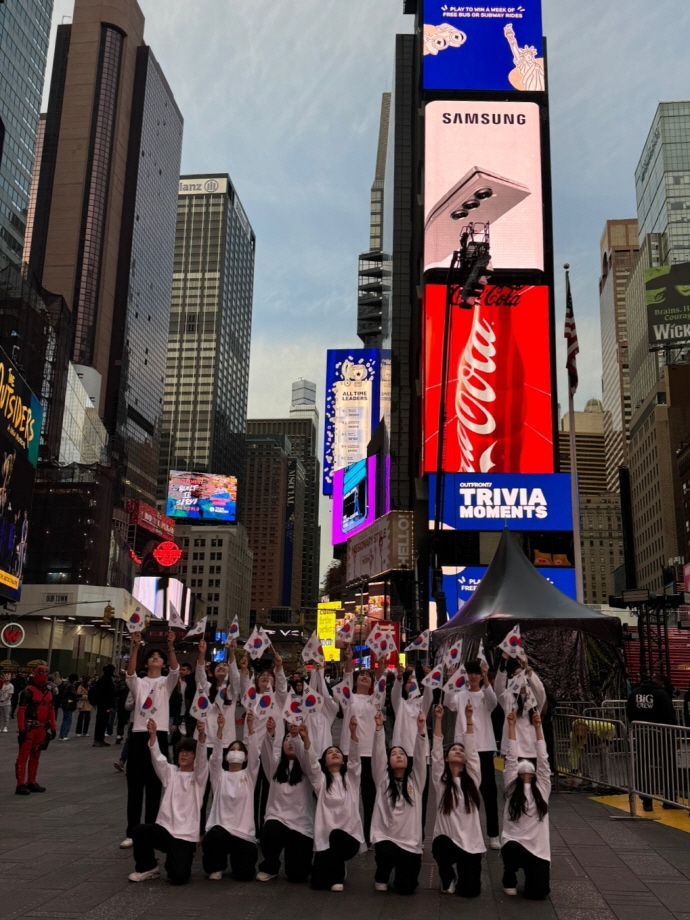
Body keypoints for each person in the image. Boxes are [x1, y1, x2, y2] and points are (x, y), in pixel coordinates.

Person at [129, 717, 209, 884]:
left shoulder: (199, 777)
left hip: (184, 836)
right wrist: (152, 736)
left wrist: (201, 738)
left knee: (178, 876)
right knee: (138, 831)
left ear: (195, 756)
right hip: (165, 830)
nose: (184, 754)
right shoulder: (171, 773)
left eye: (188, 752)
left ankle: (174, 861)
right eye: (181, 751)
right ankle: (148, 867)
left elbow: (202, 761)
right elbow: (158, 759)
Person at [121, 630, 179, 850]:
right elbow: (130, 673)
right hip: (138, 736)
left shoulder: (167, 682)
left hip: (160, 735)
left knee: (155, 786)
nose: (156, 657)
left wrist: (171, 647)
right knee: (135, 786)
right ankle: (132, 832)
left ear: (163, 663)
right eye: (152, 656)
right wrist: (135, 646)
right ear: (146, 662)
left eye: (159, 656)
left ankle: (151, 830)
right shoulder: (139, 683)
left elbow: (175, 669)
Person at [293, 716, 364, 892]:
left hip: (348, 838)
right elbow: (311, 764)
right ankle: (335, 868)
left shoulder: (351, 780)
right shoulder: (321, 782)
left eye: (338, 752)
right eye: (330, 752)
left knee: (337, 837)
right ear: (324, 761)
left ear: (343, 760)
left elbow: (355, 761)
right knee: (317, 884)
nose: (334, 753)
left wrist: (353, 733)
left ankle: (339, 875)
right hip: (325, 840)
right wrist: (306, 738)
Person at [430, 702, 485, 897]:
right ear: (447, 758)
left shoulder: (473, 781)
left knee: (470, 892)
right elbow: (436, 752)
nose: (459, 751)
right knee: (440, 845)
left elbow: (471, 749)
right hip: (448, 841)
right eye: (454, 750)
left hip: (470, 844)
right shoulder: (440, 781)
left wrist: (469, 719)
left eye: (461, 751)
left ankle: (463, 876)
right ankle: (447, 876)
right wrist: (438, 720)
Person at [370, 707, 427, 895]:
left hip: (409, 842)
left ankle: (402, 871)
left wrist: (420, 731)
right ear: (388, 761)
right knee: (386, 857)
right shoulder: (382, 779)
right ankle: (382, 873)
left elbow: (420, 757)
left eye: (402, 753)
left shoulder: (416, 781)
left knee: (406, 887)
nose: (399, 756)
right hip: (386, 838)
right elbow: (377, 755)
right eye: (394, 754)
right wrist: (379, 729)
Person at [445, 658, 500, 848]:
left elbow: (494, 701)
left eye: (476, 673)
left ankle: (493, 834)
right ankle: (465, 830)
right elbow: (448, 703)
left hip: (484, 747)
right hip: (464, 748)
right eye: (470, 673)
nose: (473, 676)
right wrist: (450, 680)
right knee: (464, 790)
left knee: (489, 791)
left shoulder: (486, 695)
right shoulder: (460, 696)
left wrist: (486, 678)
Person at [201, 711, 260, 881]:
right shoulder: (219, 776)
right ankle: (216, 866)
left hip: (243, 834)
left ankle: (237, 861)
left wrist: (250, 729)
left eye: (239, 750)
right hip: (221, 830)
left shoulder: (249, 776)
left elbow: (255, 757)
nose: (235, 752)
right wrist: (219, 732)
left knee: (244, 875)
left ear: (245, 756)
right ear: (227, 756)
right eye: (232, 750)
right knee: (213, 838)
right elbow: (214, 759)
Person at [256, 717, 314, 883]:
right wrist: (270, 734)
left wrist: (302, 738)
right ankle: (270, 866)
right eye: (287, 739)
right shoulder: (274, 767)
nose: (289, 742)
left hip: (301, 825)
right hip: (277, 819)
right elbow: (266, 753)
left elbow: (312, 762)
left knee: (298, 875)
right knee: (269, 832)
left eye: (293, 740)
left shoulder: (307, 769)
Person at [501, 710, 551, 899]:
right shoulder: (512, 787)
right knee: (512, 849)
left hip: (537, 849)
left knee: (538, 893)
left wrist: (538, 728)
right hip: (515, 842)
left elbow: (543, 759)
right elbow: (512, 758)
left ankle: (532, 875)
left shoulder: (543, 788)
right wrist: (512, 727)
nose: (525, 765)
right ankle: (509, 874)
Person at [195, 638, 241, 835]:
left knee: (222, 788)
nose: (222, 668)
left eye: (225, 666)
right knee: (202, 788)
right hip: (205, 743)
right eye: (218, 666)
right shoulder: (205, 688)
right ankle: (199, 829)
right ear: (211, 672)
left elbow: (238, 677)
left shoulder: (232, 691)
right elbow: (198, 676)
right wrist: (201, 653)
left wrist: (232, 653)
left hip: (225, 744)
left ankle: (220, 825)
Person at [240, 651, 288, 832]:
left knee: (270, 790)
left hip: (272, 751)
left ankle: (266, 826)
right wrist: (244, 669)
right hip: (252, 750)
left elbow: (283, 687)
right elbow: (245, 686)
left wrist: (279, 667)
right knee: (251, 790)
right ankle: (251, 825)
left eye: (270, 676)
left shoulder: (279, 699)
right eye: (262, 676)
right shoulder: (250, 699)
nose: (266, 678)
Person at [341, 644, 383, 846]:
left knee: (369, 796)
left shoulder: (375, 701)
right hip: (350, 751)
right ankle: (350, 833)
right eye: (362, 674)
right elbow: (347, 679)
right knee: (350, 795)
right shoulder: (349, 699)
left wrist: (382, 661)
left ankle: (369, 835)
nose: (365, 676)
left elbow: (382, 682)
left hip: (370, 752)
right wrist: (349, 659)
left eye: (369, 675)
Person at [626, 675, 678, 811]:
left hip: (641, 734)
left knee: (643, 768)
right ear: (660, 683)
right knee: (668, 767)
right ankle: (670, 799)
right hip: (662, 735)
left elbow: (629, 712)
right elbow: (670, 715)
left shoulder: (635, 694)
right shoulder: (661, 695)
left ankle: (646, 801)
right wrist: (674, 733)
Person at [15, 664, 56, 795]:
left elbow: (51, 709)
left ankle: (31, 781)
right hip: (30, 728)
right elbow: (20, 711)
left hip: (40, 728)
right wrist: (21, 729)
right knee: (24, 756)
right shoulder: (28, 691)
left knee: (35, 756)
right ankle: (20, 783)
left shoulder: (48, 691)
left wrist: (53, 727)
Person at [496, 652, 546, 759]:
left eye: (521, 675)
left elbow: (540, 689)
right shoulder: (508, 698)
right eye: (515, 675)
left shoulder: (535, 698)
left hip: (533, 749)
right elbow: (498, 687)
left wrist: (526, 667)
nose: (519, 678)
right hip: (512, 749)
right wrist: (503, 661)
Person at [93, 664, 116, 747]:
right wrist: (111, 705)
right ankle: (99, 739)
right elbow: (110, 694)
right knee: (102, 722)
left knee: (100, 722)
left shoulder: (102, 680)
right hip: (105, 705)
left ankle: (98, 739)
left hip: (101, 705)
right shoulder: (108, 680)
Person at [58, 673, 80, 740]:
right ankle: (64, 735)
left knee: (65, 720)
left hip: (65, 704)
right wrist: (82, 695)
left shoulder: (68, 685)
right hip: (69, 704)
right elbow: (75, 694)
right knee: (68, 720)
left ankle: (62, 735)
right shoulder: (71, 686)